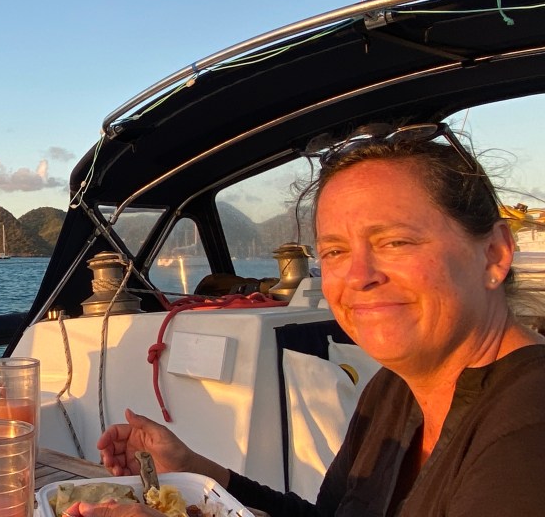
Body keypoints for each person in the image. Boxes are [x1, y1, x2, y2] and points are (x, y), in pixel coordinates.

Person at [64, 123, 545, 517]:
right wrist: (194, 471)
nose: (359, 276)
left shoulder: (528, 426)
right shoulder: (392, 392)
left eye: (395, 241)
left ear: (495, 253)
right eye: (335, 251)